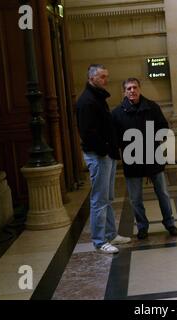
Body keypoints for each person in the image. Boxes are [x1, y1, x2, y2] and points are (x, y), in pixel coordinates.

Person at [112, 78, 177, 240]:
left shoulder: (152, 107)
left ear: (140, 89)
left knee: (162, 193)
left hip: (153, 156)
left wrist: (153, 140)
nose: (132, 91)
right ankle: (142, 226)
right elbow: (115, 136)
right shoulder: (117, 113)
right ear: (124, 92)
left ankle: (169, 223)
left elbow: (163, 127)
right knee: (135, 198)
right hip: (132, 159)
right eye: (128, 88)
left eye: (134, 87)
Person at [76, 64, 131, 253]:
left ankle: (111, 234)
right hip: (99, 155)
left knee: (107, 197)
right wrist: (106, 149)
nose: (106, 80)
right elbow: (87, 133)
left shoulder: (97, 98)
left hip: (106, 154)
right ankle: (99, 241)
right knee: (99, 199)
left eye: (106, 76)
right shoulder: (87, 101)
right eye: (102, 77)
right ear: (92, 78)